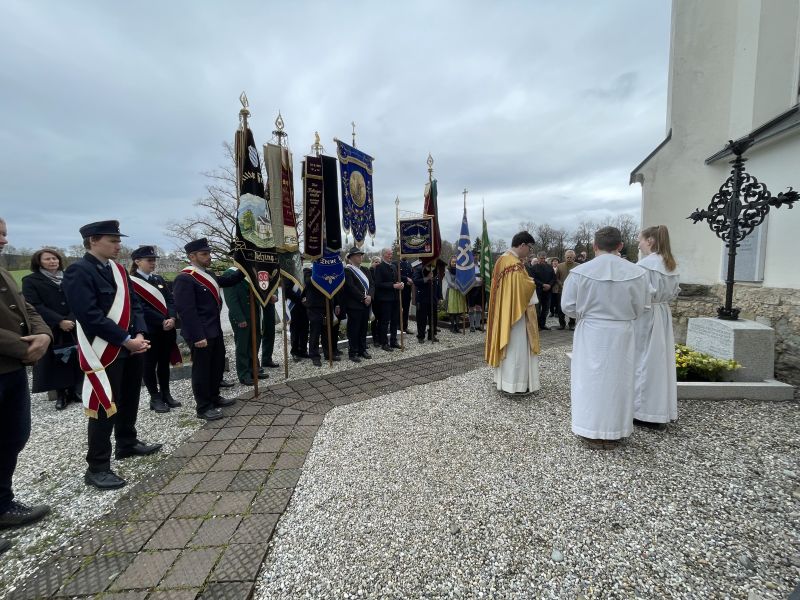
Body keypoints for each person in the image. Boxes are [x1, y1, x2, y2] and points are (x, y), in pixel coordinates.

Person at [62, 220, 161, 490]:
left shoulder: (118, 270)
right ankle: (97, 466)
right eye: (113, 240)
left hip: (130, 347)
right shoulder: (78, 271)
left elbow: (135, 304)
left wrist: (139, 334)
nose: (119, 245)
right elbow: (88, 315)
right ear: (93, 240)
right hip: (104, 351)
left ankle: (127, 443)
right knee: (104, 407)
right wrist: (125, 340)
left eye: (118, 240)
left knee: (130, 398)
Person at [562, 226, 650, 449]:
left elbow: (568, 306)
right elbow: (641, 307)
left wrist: (586, 314)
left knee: (590, 380)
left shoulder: (580, 272)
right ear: (620, 246)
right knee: (619, 380)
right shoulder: (637, 272)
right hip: (622, 332)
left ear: (594, 246)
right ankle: (614, 430)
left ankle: (590, 429)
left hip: (591, 331)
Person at [0, 217, 52, 554]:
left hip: (12, 370)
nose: (4, 241)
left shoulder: (4, 271)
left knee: (13, 436)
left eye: (4, 234)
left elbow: (26, 308)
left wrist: (44, 334)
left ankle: (3, 504)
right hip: (11, 358)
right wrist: (25, 347)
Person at [172, 238, 244, 421]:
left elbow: (228, 280)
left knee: (216, 366)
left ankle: (214, 397)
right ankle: (203, 407)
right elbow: (186, 311)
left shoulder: (208, 274)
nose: (208, 257)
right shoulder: (185, 278)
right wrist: (198, 336)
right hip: (200, 333)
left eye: (208, 253)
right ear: (192, 256)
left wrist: (245, 266)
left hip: (214, 329)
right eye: (204, 254)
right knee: (202, 371)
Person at [21, 248, 82, 410]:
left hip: (73, 324)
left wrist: (70, 319)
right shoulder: (31, 280)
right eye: (47, 259)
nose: (52, 261)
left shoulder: (69, 278)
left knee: (75, 358)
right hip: (50, 327)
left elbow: (79, 298)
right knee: (57, 361)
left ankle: (75, 391)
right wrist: (59, 321)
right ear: (38, 262)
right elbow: (34, 305)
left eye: (55, 258)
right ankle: (61, 394)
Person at [634, 225, 680, 429]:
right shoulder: (669, 264)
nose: (639, 243)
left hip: (647, 314)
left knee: (643, 361)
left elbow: (639, 294)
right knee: (659, 361)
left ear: (650, 241)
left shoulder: (646, 265)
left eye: (641, 239)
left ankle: (643, 411)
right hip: (662, 313)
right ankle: (659, 408)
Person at [485, 231, 540, 394]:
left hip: (505, 311)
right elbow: (520, 289)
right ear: (522, 245)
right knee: (516, 347)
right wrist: (532, 284)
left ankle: (505, 381)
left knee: (511, 347)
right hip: (516, 315)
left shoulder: (503, 260)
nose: (530, 252)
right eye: (529, 248)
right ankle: (516, 383)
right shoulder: (512, 263)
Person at [129, 246, 181, 412]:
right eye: (149, 260)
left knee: (164, 363)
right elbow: (139, 308)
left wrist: (172, 317)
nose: (153, 263)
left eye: (154, 260)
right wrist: (162, 320)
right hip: (149, 330)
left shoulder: (158, 279)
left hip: (166, 329)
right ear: (137, 262)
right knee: (149, 365)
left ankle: (166, 393)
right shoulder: (132, 282)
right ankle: (155, 397)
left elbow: (170, 300)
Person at [221, 266, 264, 386]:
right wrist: (239, 318)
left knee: (255, 342)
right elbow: (231, 299)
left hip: (254, 313)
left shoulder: (250, 270)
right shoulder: (230, 273)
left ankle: (254, 369)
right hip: (242, 315)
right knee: (243, 345)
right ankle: (244, 374)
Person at [303, 269, 342, 366]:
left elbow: (334, 287)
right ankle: (315, 356)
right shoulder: (308, 272)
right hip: (314, 307)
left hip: (327, 305)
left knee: (327, 332)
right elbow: (309, 283)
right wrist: (320, 273)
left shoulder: (328, 270)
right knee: (315, 332)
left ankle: (328, 354)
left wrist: (336, 303)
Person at [342, 247, 374, 362]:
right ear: (350, 258)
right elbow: (350, 287)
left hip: (366, 304)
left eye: (361, 255)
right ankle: (353, 352)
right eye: (357, 255)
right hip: (355, 305)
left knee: (363, 328)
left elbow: (372, 285)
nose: (360, 257)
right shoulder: (347, 270)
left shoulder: (365, 270)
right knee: (353, 329)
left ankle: (362, 349)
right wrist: (363, 298)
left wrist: (370, 296)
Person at [373, 248, 404, 351]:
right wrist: (393, 286)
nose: (391, 255)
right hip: (385, 299)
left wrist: (401, 284)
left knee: (395, 321)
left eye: (391, 254)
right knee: (385, 321)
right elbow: (378, 284)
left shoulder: (394, 266)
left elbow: (396, 280)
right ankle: (384, 343)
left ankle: (393, 341)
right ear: (383, 255)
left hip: (395, 298)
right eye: (389, 254)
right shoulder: (379, 267)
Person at [285, 269, 310, 361]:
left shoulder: (303, 274)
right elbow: (287, 291)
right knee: (295, 330)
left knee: (305, 328)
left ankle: (303, 350)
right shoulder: (288, 275)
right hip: (294, 305)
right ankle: (295, 352)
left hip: (304, 305)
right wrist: (300, 299)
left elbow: (306, 288)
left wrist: (306, 298)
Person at [412, 262, 441, 343]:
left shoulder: (434, 268)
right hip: (422, 298)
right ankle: (421, 336)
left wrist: (439, 296)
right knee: (421, 319)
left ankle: (432, 335)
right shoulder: (419, 268)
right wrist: (427, 278)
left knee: (433, 318)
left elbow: (438, 283)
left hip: (433, 298)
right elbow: (415, 281)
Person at [528, 251, 556, 331]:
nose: (542, 260)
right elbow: (533, 279)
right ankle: (537, 325)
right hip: (538, 291)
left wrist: (549, 285)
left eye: (544, 258)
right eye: (541, 258)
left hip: (548, 291)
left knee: (546, 309)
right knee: (537, 309)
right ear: (538, 258)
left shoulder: (549, 267)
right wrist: (542, 285)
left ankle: (543, 324)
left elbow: (553, 278)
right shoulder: (533, 268)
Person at [556, 250, 579, 330]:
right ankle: (562, 324)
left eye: (571, 257)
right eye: (567, 257)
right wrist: (561, 284)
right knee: (560, 307)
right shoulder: (559, 266)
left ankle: (572, 324)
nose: (569, 259)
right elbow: (556, 278)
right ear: (565, 257)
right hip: (561, 290)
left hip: (573, 291)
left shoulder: (578, 266)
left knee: (572, 306)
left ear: (574, 258)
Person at [444, 256, 467, 333]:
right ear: (450, 263)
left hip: (459, 292)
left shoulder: (459, 270)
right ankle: (452, 326)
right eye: (453, 262)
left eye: (455, 262)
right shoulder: (447, 271)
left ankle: (457, 326)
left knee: (458, 310)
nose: (454, 263)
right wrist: (457, 286)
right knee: (452, 310)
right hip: (451, 291)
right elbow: (449, 282)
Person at [260, 293, 280, 369]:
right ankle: (254, 364)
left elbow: (274, 284)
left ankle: (266, 359)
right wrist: (267, 296)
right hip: (259, 304)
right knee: (258, 335)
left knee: (270, 333)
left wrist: (275, 296)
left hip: (270, 305)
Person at [369, 256, 382, 348]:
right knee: (375, 320)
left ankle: (381, 337)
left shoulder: (381, 271)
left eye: (379, 262)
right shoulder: (370, 271)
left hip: (382, 299)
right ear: (372, 263)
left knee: (381, 320)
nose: (378, 264)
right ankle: (375, 339)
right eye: (376, 262)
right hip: (374, 299)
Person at [399, 256, 414, 334]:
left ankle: (405, 327)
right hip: (400, 290)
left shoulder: (409, 264)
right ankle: (398, 327)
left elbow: (412, 274)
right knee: (398, 310)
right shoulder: (397, 264)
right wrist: (406, 279)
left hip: (408, 290)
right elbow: (397, 275)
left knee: (406, 310)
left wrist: (411, 281)